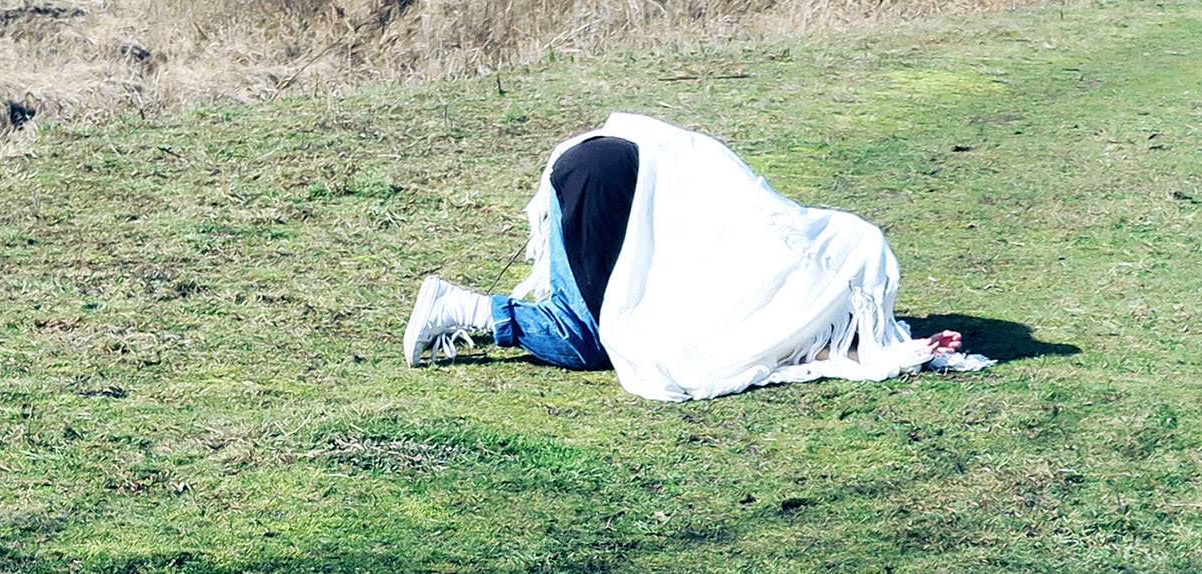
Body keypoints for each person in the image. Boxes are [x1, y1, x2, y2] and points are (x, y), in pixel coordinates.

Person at [404, 115, 982, 402]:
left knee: (604, 325)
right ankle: (461, 308)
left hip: (609, 160)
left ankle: (489, 313)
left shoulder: (818, 245)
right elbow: (795, 345)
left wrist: (909, 347)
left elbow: (810, 340)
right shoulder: (803, 273)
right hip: (608, 181)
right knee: (589, 343)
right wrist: (896, 350)